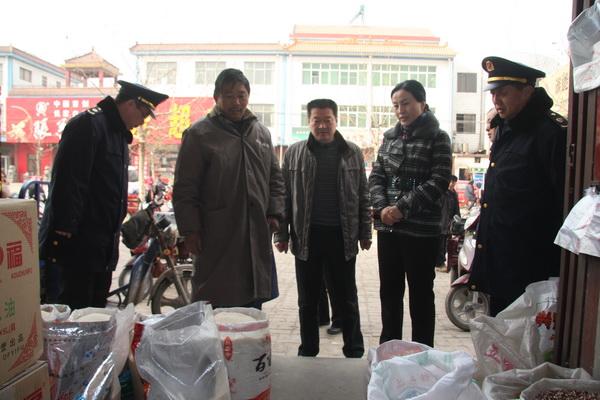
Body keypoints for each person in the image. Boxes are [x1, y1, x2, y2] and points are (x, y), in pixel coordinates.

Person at [39, 80, 168, 309]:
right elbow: (69, 182)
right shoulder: (89, 125)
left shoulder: (119, 135)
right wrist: (64, 233)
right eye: (144, 114)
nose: (143, 122)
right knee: (72, 313)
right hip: (77, 248)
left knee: (95, 315)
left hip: (102, 249)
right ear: (130, 104)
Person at [173, 68, 285, 308]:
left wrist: (275, 213)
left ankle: (249, 343)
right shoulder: (199, 134)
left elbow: (276, 178)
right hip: (217, 233)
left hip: (255, 232)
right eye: (229, 95)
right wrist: (190, 230)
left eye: (242, 95)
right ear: (217, 97)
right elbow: (185, 188)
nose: (237, 101)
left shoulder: (261, 133)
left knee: (252, 303)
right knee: (216, 301)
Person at [469, 56, 567, 316]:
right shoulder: (506, 129)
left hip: (531, 266)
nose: (496, 100)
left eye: (504, 92)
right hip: (501, 261)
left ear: (527, 91)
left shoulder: (550, 134)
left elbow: (561, 201)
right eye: (493, 93)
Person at [274, 98, 371, 358]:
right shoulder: (294, 152)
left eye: (327, 120)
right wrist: (281, 234)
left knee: (347, 298)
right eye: (317, 120)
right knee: (307, 301)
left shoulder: (352, 152)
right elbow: (284, 198)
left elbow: (363, 194)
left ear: (336, 121)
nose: (322, 125)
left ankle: (354, 349)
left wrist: (365, 232)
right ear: (309, 122)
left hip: (342, 236)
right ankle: (308, 350)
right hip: (307, 236)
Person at [369, 80, 452, 347]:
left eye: (405, 103)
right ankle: (388, 350)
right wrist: (382, 208)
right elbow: (376, 176)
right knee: (390, 294)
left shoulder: (438, 137)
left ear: (422, 104)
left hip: (421, 231)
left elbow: (439, 180)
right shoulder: (389, 137)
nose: (400, 110)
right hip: (389, 229)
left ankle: (422, 352)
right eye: (396, 105)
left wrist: (401, 208)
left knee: (421, 296)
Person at [436, 175, 461, 271]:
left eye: (453, 182)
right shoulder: (443, 193)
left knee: (447, 244)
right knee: (441, 243)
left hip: (450, 222)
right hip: (441, 222)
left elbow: (457, 209)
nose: (451, 184)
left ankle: (443, 262)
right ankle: (439, 263)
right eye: (450, 182)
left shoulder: (454, 194)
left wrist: (457, 220)